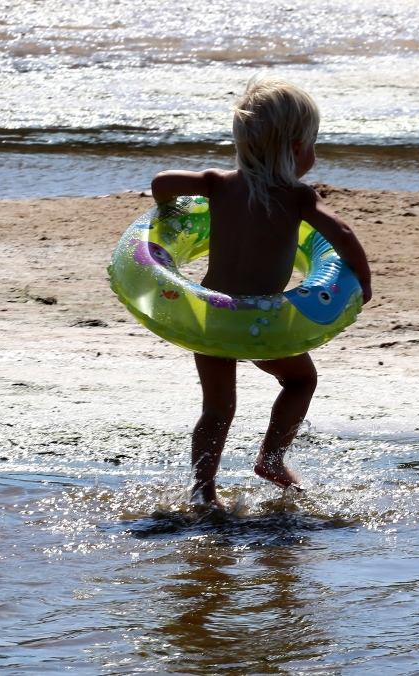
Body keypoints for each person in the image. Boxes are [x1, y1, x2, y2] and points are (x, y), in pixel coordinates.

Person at [150, 75, 372, 507]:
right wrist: (363, 282)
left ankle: (202, 491)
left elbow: (162, 181)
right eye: (313, 144)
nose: (314, 153)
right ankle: (271, 458)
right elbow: (342, 234)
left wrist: (168, 212)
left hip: (211, 314)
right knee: (301, 380)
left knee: (217, 408)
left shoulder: (217, 182)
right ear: (295, 149)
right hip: (260, 321)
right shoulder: (297, 197)